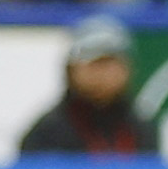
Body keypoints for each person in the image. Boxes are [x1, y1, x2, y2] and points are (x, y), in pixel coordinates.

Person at [17, 12, 156, 155]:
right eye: (94, 64)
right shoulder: (46, 133)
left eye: (110, 63)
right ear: (72, 71)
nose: (102, 74)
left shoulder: (141, 130)